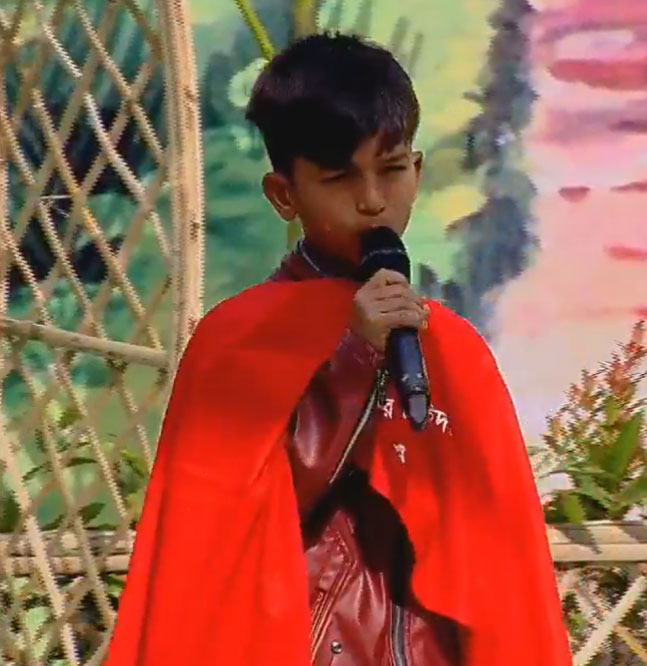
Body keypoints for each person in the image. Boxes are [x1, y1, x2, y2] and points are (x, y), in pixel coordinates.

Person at [105, 33, 571, 666]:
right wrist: (351, 361)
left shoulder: (450, 346)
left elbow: (499, 567)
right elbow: (229, 539)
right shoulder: (237, 340)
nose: (373, 199)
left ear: (418, 171)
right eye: (339, 178)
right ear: (284, 195)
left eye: (392, 169)